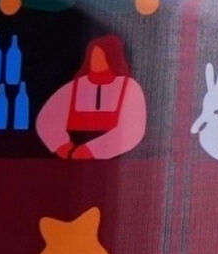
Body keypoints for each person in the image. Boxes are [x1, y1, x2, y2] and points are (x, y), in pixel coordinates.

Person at [33, 33, 147, 161]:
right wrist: (61, 145)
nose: (96, 62)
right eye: (93, 57)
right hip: (70, 159)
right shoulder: (74, 88)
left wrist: (92, 150)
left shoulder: (130, 87)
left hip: (115, 162)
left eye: (101, 57)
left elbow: (132, 129)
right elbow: (47, 118)